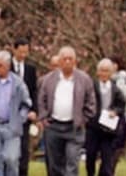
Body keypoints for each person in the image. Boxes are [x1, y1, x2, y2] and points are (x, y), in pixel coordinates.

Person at [37, 46, 96, 176]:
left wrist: (83, 119)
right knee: (55, 166)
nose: (68, 62)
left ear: (75, 61)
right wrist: (43, 118)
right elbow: (42, 100)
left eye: (71, 59)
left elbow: (91, 103)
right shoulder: (48, 80)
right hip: (53, 127)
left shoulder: (84, 79)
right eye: (65, 59)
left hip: (74, 128)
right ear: (59, 62)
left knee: (72, 163)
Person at [0, 50, 33, 176]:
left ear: (8, 66)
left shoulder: (18, 83)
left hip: (11, 127)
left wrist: (20, 119)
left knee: (11, 159)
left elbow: (26, 103)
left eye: (0, 65)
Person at [85, 59, 126, 176]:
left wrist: (115, 112)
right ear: (98, 72)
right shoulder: (92, 86)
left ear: (111, 72)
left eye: (107, 71)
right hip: (93, 127)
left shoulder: (116, 89)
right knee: (91, 155)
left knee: (107, 158)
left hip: (108, 129)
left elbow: (121, 105)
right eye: (102, 71)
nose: (104, 74)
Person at [11, 38, 38, 176]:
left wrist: (33, 110)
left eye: (26, 52)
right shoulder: (5, 67)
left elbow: (34, 91)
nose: (23, 55)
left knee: (23, 149)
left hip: (25, 116)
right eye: (20, 52)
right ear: (14, 49)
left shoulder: (30, 69)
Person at [109, 56, 126, 166]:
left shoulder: (121, 78)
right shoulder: (121, 78)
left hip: (119, 113)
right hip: (119, 113)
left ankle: (111, 163)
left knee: (115, 141)